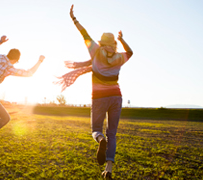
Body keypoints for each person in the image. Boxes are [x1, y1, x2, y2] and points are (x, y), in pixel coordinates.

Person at [56, 5, 133, 179]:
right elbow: (130, 52)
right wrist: (122, 40)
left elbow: (84, 33)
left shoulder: (96, 51)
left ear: (101, 42)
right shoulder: (119, 56)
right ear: (113, 43)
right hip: (116, 96)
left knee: (96, 129)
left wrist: (74, 18)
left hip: (99, 97)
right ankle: (109, 169)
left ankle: (100, 140)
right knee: (112, 133)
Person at [0, 35, 45, 151]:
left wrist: (0, 41)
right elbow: (28, 73)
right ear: (16, 60)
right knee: (6, 118)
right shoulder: (9, 67)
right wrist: (40, 61)